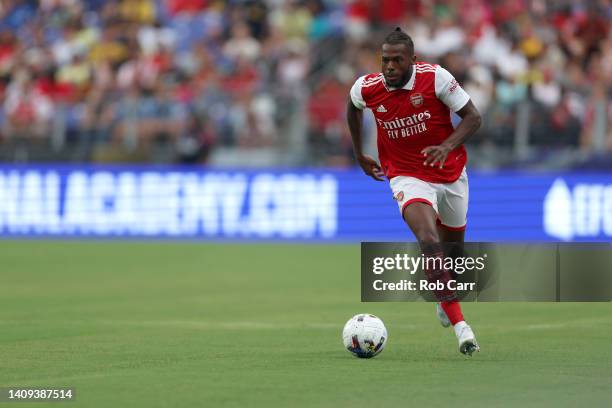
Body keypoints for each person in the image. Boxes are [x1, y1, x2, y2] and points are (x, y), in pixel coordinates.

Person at [346, 27, 482, 356]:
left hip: (450, 174)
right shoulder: (367, 87)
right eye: (385, 60)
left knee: (454, 255)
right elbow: (352, 107)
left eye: (397, 60)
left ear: (412, 61)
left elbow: (473, 117)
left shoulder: (435, 79)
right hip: (406, 176)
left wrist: (446, 146)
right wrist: (358, 153)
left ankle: (444, 296)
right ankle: (462, 327)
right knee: (428, 240)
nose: (389, 66)